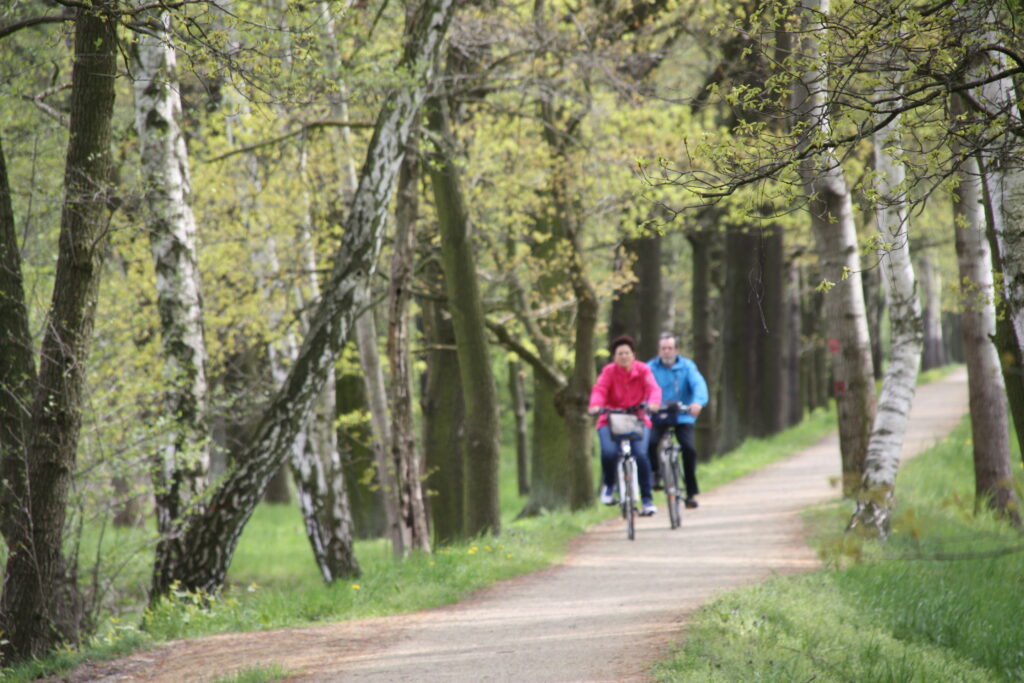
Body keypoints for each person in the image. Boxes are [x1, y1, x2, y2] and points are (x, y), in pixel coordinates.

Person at [589, 335, 662, 516]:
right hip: (610, 419)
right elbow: (600, 390)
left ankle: (647, 499)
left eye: (627, 353)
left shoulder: (643, 370)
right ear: (614, 356)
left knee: (641, 454)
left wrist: (653, 403)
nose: (624, 356)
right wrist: (595, 405)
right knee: (609, 452)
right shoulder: (608, 372)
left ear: (633, 355)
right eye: (619, 353)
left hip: (638, 418)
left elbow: (654, 388)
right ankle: (609, 485)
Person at [647, 332, 708, 509]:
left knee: (689, 449)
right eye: (663, 348)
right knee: (650, 443)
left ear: (676, 350)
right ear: (659, 350)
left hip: (683, 415)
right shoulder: (650, 368)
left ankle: (690, 492)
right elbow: (641, 387)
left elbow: (699, 385)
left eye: (670, 348)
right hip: (659, 416)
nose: (666, 352)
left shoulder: (687, 366)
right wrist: (648, 405)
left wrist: (697, 403)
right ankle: (656, 474)